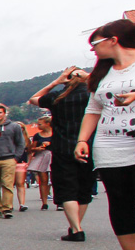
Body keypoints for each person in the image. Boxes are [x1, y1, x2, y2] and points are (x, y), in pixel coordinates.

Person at [74, 19, 135, 250]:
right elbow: (93, 110)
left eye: (95, 43)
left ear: (113, 40)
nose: (93, 49)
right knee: (120, 200)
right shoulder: (102, 73)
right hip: (109, 144)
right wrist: (82, 140)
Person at [30, 65, 95, 239]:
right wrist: (88, 77)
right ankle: (76, 226)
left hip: (62, 147)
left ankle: (76, 228)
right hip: (88, 146)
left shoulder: (57, 97)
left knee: (67, 189)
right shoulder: (91, 95)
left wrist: (55, 82)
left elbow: (34, 99)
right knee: (84, 189)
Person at [26, 116, 53, 209]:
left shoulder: (55, 134)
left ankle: (59, 201)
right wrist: (36, 148)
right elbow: (31, 149)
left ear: (47, 124)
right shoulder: (37, 135)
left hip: (54, 155)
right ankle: (44, 202)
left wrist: (51, 144)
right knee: (43, 180)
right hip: (42, 156)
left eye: (40, 124)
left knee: (56, 179)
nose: (38, 126)